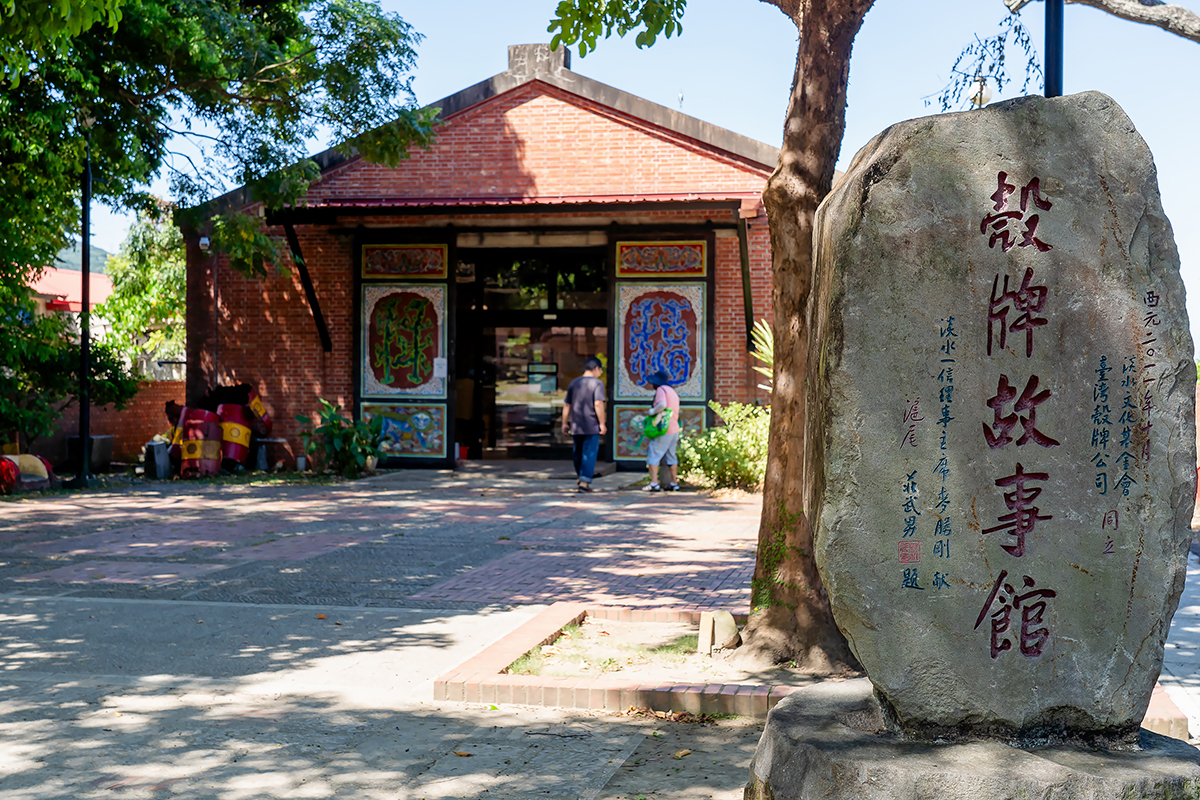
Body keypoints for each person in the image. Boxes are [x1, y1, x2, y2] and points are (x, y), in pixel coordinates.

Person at [562, 357, 607, 493]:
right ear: (596, 369)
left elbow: (567, 404)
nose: (600, 373)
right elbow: (598, 403)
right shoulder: (597, 384)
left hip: (576, 424)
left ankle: (580, 477)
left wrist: (564, 422)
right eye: (600, 370)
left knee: (578, 452)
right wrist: (602, 423)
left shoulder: (574, 383)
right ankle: (584, 481)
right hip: (591, 424)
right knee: (589, 453)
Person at [644, 369, 681, 492]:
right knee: (671, 456)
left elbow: (662, 404)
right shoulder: (672, 392)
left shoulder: (661, 390)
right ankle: (674, 483)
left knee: (653, 454)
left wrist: (652, 411)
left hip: (663, 429)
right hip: (674, 428)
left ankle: (654, 483)